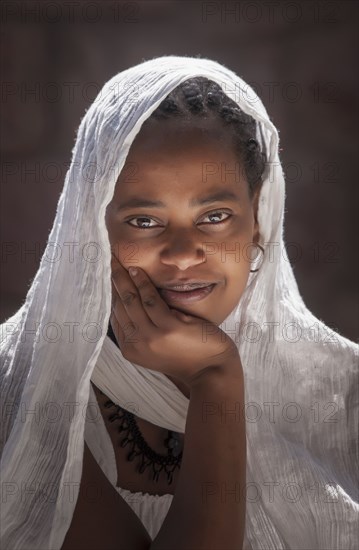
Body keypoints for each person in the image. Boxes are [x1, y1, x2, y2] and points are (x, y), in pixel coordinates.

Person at [0, 55, 357, 550]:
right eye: (145, 221)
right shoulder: (22, 391)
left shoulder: (344, 396)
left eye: (214, 215)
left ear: (257, 218)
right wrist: (216, 377)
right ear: (91, 228)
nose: (185, 253)